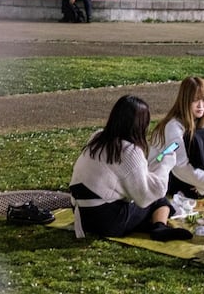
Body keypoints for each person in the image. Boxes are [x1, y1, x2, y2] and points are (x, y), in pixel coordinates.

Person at [69, 95, 193, 241]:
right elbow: (147, 196)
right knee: (159, 200)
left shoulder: (97, 137)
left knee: (145, 201)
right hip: (106, 220)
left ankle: (153, 224)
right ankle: (159, 227)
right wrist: (166, 164)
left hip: (82, 214)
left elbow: (127, 177)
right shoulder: (130, 151)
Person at [149, 77, 204, 199]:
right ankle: (201, 188)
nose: (201, 106)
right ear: (185, 101)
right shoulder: (173, 126)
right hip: (168, 171)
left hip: (193, 171)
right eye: (195, 101)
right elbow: (179, 166)